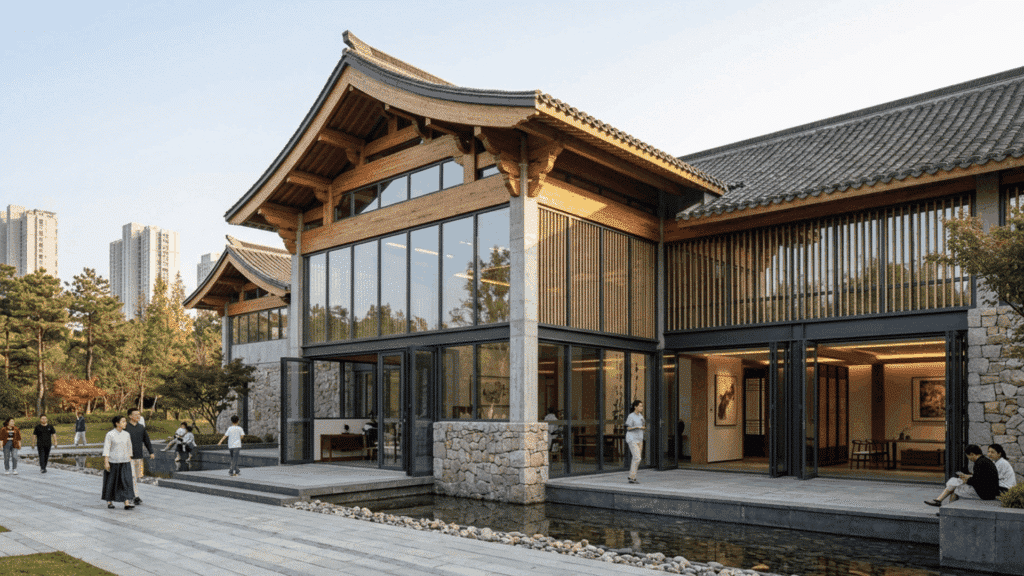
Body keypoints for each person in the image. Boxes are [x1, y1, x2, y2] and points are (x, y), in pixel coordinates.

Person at [925, 444, 1000, 506]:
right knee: (954, 484)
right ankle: (940, 502)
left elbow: (977, 481)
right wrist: (968, 477)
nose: (969, 458)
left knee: (955, 489)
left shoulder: (979, 463)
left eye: (968, 456)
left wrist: (966, 480)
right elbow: (982, 478)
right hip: (989, 491)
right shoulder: (984, 461)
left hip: (985, 494)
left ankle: (946, 507)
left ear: (972, 454)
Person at [101, 415, 136, 510]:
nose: (125, 423)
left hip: (125, 462)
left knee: (126, 481)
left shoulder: (127, 434)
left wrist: (130, 459)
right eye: (123, 421)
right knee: (112, 482)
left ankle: (127, 502)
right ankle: (109, 501)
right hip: (113, 462)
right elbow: (107, 449)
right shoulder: (110, 434)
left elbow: (129, 448)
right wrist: (106, 462)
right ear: (117, 423)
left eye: (125, 421)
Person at [124, 408, 154, 505]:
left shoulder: (141, 427)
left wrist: (151, 452)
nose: (138, 416)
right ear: (130, 416)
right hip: (128, 457)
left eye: (139, 414)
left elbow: (147, 441)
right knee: (132, 477)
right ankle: (135, 496)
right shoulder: (125, 428)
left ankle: (129, 494)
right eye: (136, 414)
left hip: (139, 456)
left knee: (136, 477)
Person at [626, 400, 646, 484]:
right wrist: (637, 427)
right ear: (635, 407)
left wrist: (642, 428)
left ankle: (632, 477)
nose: (641, 407)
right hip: (632, 439)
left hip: (639, 439)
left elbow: (643, 426)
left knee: (636, 458)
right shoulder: (631, 416)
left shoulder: (641, 416)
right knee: (637, 457)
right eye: (640, 406)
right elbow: (628, 428)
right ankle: (631, 477)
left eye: (642, 406)